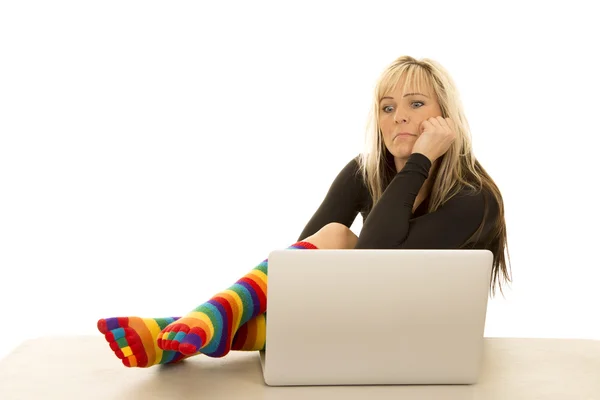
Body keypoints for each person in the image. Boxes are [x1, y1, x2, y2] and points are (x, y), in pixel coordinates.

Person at [97, 55, 511, 368]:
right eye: (387, 108)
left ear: (446, 118)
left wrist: (419, 160)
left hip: (424, 346)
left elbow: (375, 258)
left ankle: (203, 320)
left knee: (343, 238)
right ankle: (189, 331)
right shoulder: (363, 173)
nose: (398, 116)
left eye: (416, 103)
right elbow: (300, 272)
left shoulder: (475, 196)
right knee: (331, 239)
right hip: (352, 333)